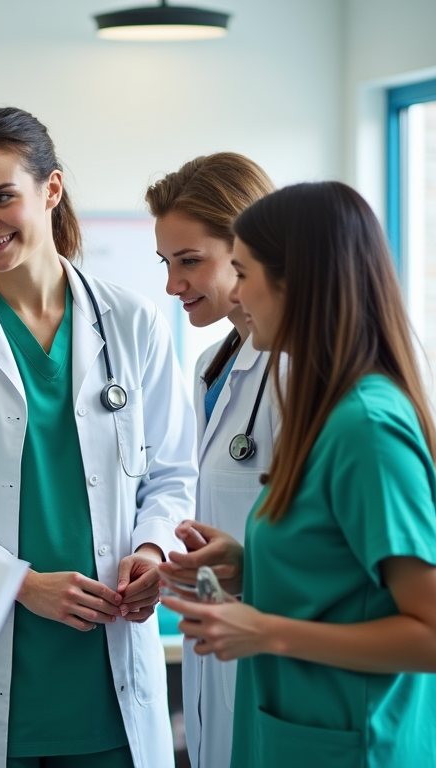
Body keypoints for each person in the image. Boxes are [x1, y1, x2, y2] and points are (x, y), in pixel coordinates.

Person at [0, 106, 198, 768]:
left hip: (111, 672)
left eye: (2, 198)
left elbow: (174, 472)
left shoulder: (132, 322)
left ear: (50, 191)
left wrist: (149, 548)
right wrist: (21, 584)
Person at [160, 181, 436, 768]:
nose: (237, 293)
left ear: (295, 282)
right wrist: (252, 565)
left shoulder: (366, 426)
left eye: (244, 273)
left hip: (354, 744)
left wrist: (267, 631)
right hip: (295, 730)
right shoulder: (323, 408)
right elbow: (346, 579)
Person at [145, 152, 276, 768]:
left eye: (190, 261)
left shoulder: (299, 374)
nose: (173, 286)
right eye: (167, 263)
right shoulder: (208, 368)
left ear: (247, 247)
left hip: (278, 665)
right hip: (216, 656)